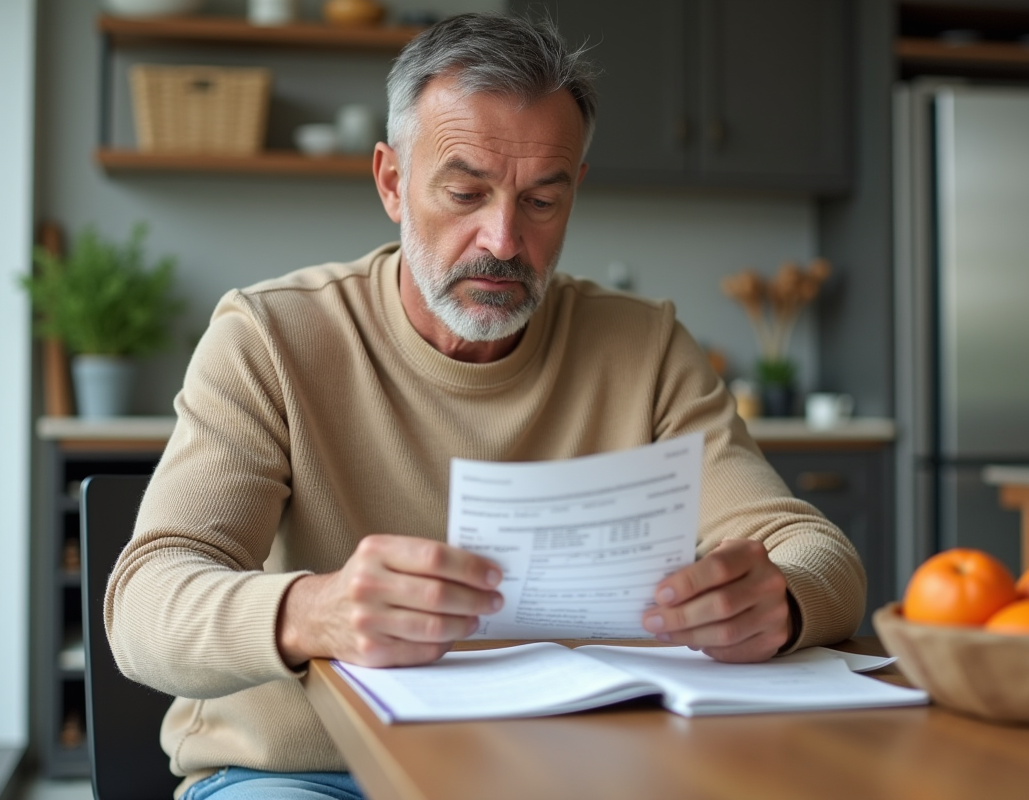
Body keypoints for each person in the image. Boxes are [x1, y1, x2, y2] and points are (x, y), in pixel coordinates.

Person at [106, 12, 866, 800]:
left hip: (563, 771)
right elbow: (145, 604)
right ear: (393, 183)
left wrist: (777, 599)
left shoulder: (644, 349)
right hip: (312, 774)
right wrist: (314, 609)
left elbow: (817, 553)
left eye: (542, 201)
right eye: (466, 191)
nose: (503, 239)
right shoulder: (270, 338)